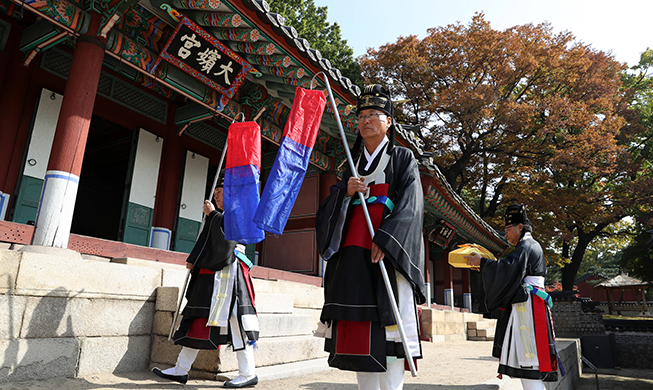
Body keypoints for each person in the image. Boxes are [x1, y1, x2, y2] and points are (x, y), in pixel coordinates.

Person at [315, 84, 426, 390]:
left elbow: (411, 206)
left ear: (389, 121)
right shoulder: (350, 164)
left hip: (385, 255)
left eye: (374, 114)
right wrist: (345, 192)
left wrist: (388, 240)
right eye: (362, 115)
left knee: (389, 335)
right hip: (352, 255)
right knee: (358, 339)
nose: (366, 120)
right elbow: (328, 210)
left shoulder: (403, 158)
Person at [152, 184, 259, 388]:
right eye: (216, 193)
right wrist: (196, 259)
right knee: (198, 319)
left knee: (237, 320)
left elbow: (227, 240)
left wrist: (212, 216)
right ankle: (181, 369)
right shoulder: (221, 215)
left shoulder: (236, 213)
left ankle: (248, 373)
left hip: (231, 274)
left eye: (220, 193)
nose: (216, 196)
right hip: (211, 274)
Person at [465, 204, 561, 390]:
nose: (506, 234)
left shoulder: (526, 246)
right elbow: (509, 269)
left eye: (509, 229)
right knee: (530, 361)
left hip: (529, 306)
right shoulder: (531, 245)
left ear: (520, 227)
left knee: (530, 359)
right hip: (532, 303)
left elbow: (508, 269)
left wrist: (483, 263)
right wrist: (485, 266)